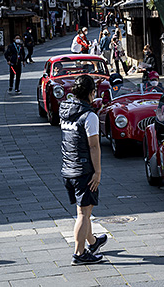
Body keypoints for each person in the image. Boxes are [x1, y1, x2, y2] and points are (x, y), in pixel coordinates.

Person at [59, 75, 108, 265]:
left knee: (83, 211)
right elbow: (94, 146)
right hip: (83, 171)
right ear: (91, 93)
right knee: (84, 214)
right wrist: (98, 172)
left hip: (68, 169)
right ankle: (79, 254)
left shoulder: (66, 111)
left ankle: (93, 242)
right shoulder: (89, 116)